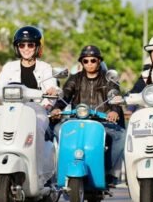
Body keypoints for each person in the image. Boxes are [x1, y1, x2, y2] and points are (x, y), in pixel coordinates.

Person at [50, 45, 125, 186]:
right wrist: (57, 108)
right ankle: (62, 168)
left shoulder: (108, 79)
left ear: (99, 61)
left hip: (102, 122)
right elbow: (65, 95)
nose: (89, 63)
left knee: (121, 136)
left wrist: (114, 110)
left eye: (93, 60)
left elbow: (114, 95)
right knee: (57, 129)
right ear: (82, 62)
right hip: (77, 120)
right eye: (86, 61)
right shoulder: (75, 78)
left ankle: (108, 171)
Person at [0, 26, 59, 103]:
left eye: (30, 45)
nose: (26, 49)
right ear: (17, 47)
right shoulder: (9, 67)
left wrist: (52, 90)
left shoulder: (45, 67)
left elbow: (51, 86)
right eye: (22, 45)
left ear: (37, 47)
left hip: (38, 110)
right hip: (12, 109)